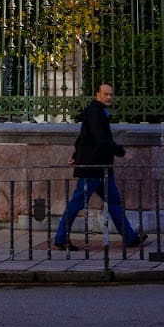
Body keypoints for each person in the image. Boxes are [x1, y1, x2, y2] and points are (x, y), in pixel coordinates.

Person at [51, 84, 147, 251]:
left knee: (114, 202)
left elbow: (83, 137)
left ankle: (130, 237)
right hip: (93, 168)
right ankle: (60, 237)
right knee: (77, 202)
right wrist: (120, 151)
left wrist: (75, 155)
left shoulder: (97, 111)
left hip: (102, 168)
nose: (109, 97)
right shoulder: (95, 112)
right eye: (105, 94)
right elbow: (100, 139)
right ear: (98, 94)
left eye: (111, 94)